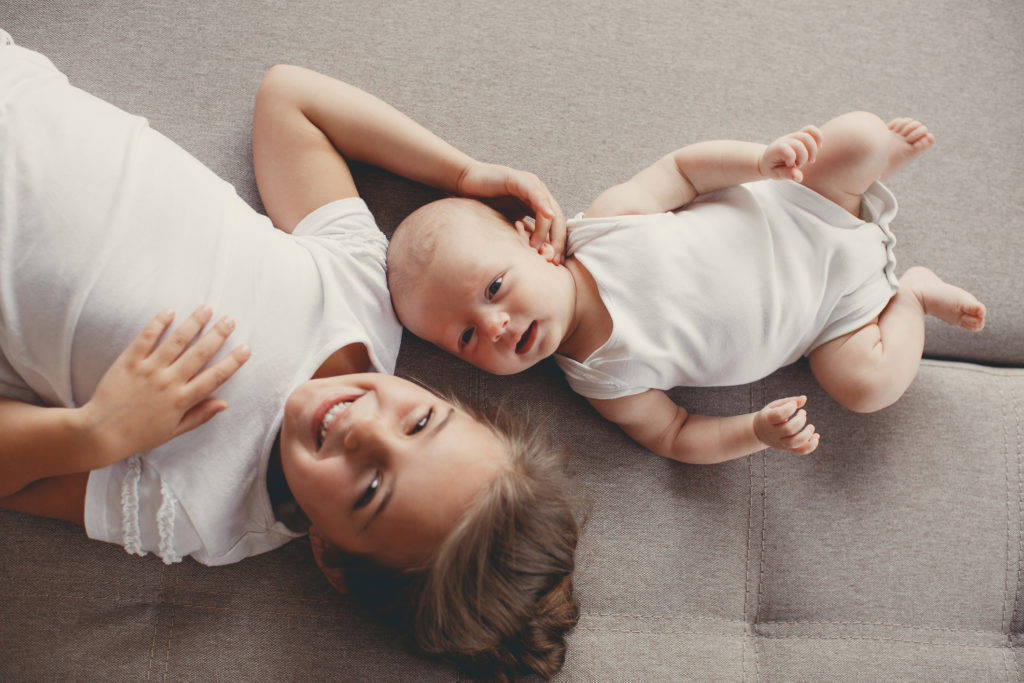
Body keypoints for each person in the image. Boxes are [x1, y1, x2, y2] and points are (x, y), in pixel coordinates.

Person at [0, 34, 578, 680]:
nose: (364, 427)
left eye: (372, 488)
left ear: (332, 556)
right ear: (456, 404)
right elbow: (290, 99)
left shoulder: (203, 510)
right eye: (419, 422)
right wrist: (462, 173)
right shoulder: (362, 296)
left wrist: (95, 433)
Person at [388, 110, 987, 465]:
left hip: (809, 208)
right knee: (868, 386)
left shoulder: (608, 224)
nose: (495, 325)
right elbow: (675, 435)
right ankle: (912, 295)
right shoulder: (601, 381)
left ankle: (872, 167)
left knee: (855, 134)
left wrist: (761, 162)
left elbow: (683, 170)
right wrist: (753, 432)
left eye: (494, 287)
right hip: (834, 319)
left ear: (534, 243)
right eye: (467, 336)